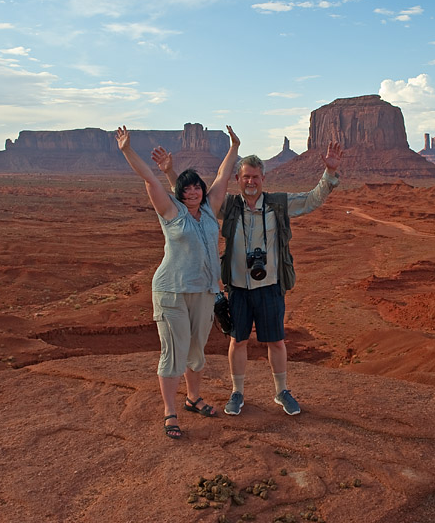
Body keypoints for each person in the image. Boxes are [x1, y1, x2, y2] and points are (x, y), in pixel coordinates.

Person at [157, 141, 343, 416]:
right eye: (246, 177)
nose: (251, 181)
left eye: (256, 177)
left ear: (263, 178)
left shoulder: (278, 204)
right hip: (239, 288)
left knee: (276, 341)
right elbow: (189, 200)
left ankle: (281, 391)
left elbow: (311, 199)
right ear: (237, 179)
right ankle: (237, 393)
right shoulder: (227, 206)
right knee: (238, 341)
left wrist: (329, 172)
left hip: (270, 286)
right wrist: (170, 173)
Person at [115, 124, 240, 439]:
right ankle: (169, 411)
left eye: (197, 187)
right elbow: (149, 178)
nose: (194, 192)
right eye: (187, 189)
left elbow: (224, 177)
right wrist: (127, 150)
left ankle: (193, 398)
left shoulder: (210, 211)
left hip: (204, 293)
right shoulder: (171, 212)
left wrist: (233, 147)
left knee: (196, 349)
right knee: (174, 351)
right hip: (172, 291)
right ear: (180, 194)